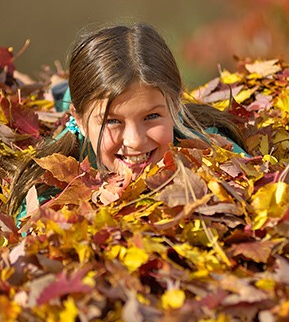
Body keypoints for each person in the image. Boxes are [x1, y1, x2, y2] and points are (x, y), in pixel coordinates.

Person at [6, 23, 247, 220]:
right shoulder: (50, 184)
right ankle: (59, 91)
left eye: (151, 116)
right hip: (74, 102)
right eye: (112, 121)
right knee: (58, 93)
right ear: (79, 121)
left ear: (174, 106)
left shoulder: (209, 143)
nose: (135, 141)